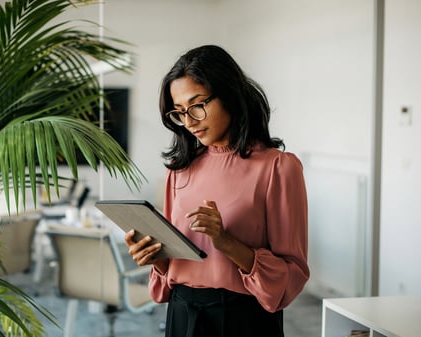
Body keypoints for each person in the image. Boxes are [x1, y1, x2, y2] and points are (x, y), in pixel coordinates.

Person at [124, 45, 309, 337]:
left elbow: (292, 275)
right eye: (180, 112)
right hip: (181, 313)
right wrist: (156, 258)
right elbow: (176, 264)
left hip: (243, 320)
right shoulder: (179, 169)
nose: (189, 121)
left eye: (197, 105)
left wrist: (225, 240)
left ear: (230, 95)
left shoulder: (278, 168)